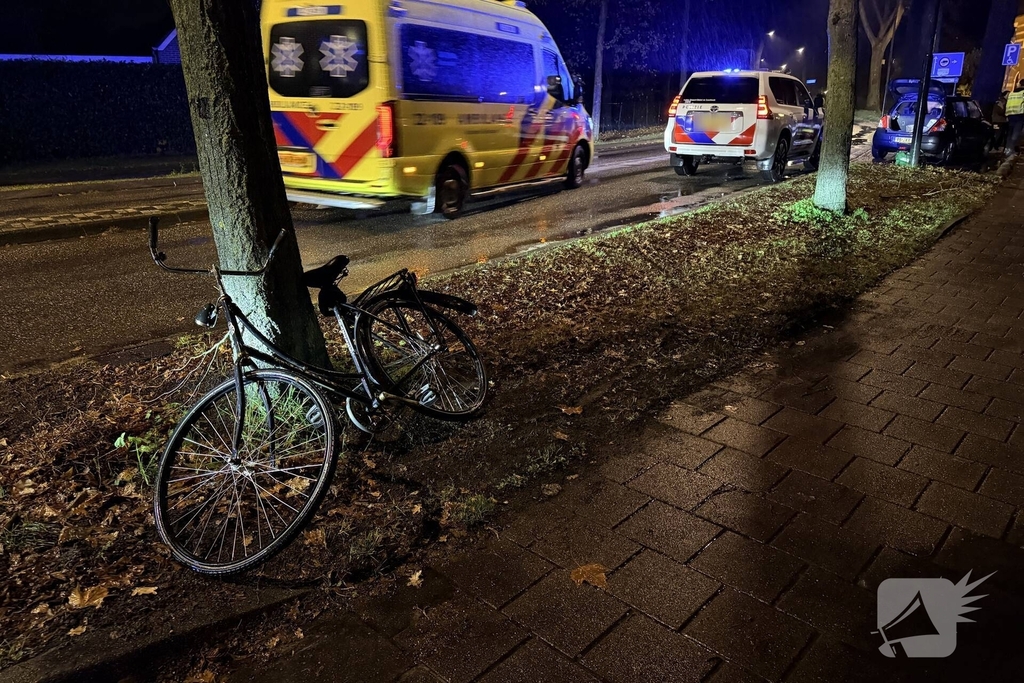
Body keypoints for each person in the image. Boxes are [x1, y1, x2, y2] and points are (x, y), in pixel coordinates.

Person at [1003, 80, 1024, 156]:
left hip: (1010, 114)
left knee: (1010, 133)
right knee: (1016, 133)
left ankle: (1007, 149)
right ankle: (1011, 150)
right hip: (1020, 114)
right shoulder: (1023, 93)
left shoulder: (1011, 93)